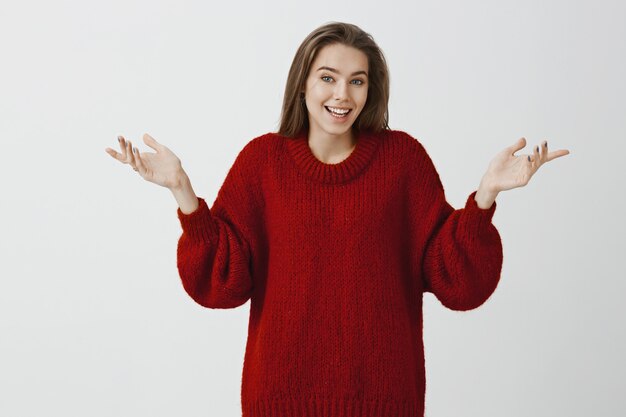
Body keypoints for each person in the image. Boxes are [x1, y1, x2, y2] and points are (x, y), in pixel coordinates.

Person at [105, 21, 569, 417]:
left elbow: (456, 281)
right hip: (279, 399)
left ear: (372, 89)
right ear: (303, 83)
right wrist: (183, 192)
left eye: (357, 81)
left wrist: (484, 196)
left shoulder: (402, 161)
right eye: (328, 77)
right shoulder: (262, 162)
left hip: (386, 401)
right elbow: (221, 283)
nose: (342, 95)